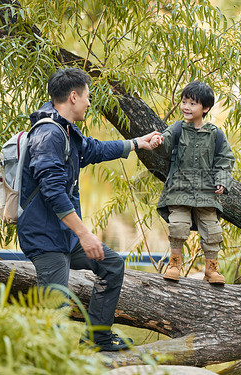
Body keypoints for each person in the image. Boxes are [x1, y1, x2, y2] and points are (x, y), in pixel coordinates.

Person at [16, 67, 162, 351]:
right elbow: (53, 191)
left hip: (66, 235)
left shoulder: (65, 128)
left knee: (111, 265)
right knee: (54, 311)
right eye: (88, 96)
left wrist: (136, 144)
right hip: (47, 238)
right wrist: (85, 234)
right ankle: (47, 362)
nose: (90, 102)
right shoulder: (49, 134)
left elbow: (92, 150)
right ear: (73, 96)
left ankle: (97, 336)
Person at [157, 81, 235, 284]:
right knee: (178, 225)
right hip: (179, 188)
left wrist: (222, 181)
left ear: (205, 108)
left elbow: (225, 160)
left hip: (207, 191)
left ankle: (211, 268)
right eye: (184, 102)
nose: (186, 107)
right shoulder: (176, 129)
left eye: (192, 103)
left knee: (212, 230)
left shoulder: (215, 134)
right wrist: (157, 142)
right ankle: (174, 263)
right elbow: (164, 146)